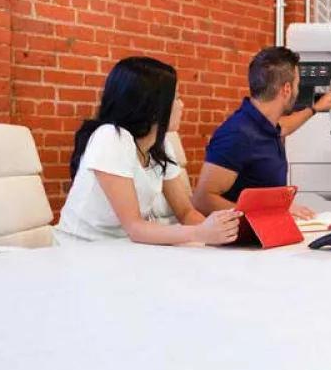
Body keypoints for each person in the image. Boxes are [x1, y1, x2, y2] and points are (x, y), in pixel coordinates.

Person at [55, 56, 241, 246]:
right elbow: (135, 227)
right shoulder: (111, 137)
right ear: (152, 105)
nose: (182, 105)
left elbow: (186, 212)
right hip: (82, 249)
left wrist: (221, 236)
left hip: (127, 249)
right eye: (176, 98)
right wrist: (200, 233)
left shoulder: (161, 144)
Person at [193, 46, 331, 220]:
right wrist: (272, 211)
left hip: (268, 228)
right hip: (242, 234)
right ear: (286, 89)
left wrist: (315, 108)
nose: (298, 90)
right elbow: (202, 200)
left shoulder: (266, 125)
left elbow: (285, 126)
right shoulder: (236, 134)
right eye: (297, 85)